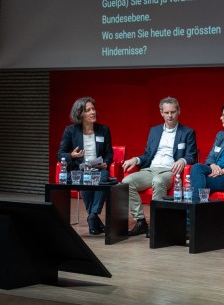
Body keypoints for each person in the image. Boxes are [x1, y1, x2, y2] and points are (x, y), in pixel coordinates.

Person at [122, 97, 197, 236]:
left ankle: (158, 223)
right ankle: (140, 222)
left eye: (173, 112)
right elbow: (148, 154)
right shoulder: (154, 131)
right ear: (161, 113)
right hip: (151, 168)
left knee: (158, 181)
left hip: (170, 171)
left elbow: (192, 155)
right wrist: (136, 159)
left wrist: (183, 160)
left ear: (179, 111)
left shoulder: (187, 132)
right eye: (166, 112)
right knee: (126, 182)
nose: (170, 116)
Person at [58, 97, 113, 235]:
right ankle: (93, 217)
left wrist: (106, 162)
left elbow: (109, 153)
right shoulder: (70, 131)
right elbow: (60, 155)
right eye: (88, 110)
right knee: (86, 177)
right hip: (78, 170)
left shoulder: (103, 130)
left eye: (93, 109)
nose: (92, 112)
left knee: (104, 177)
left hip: (98, 169)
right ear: (80, 113)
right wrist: (72, 155)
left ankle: (92, 216)